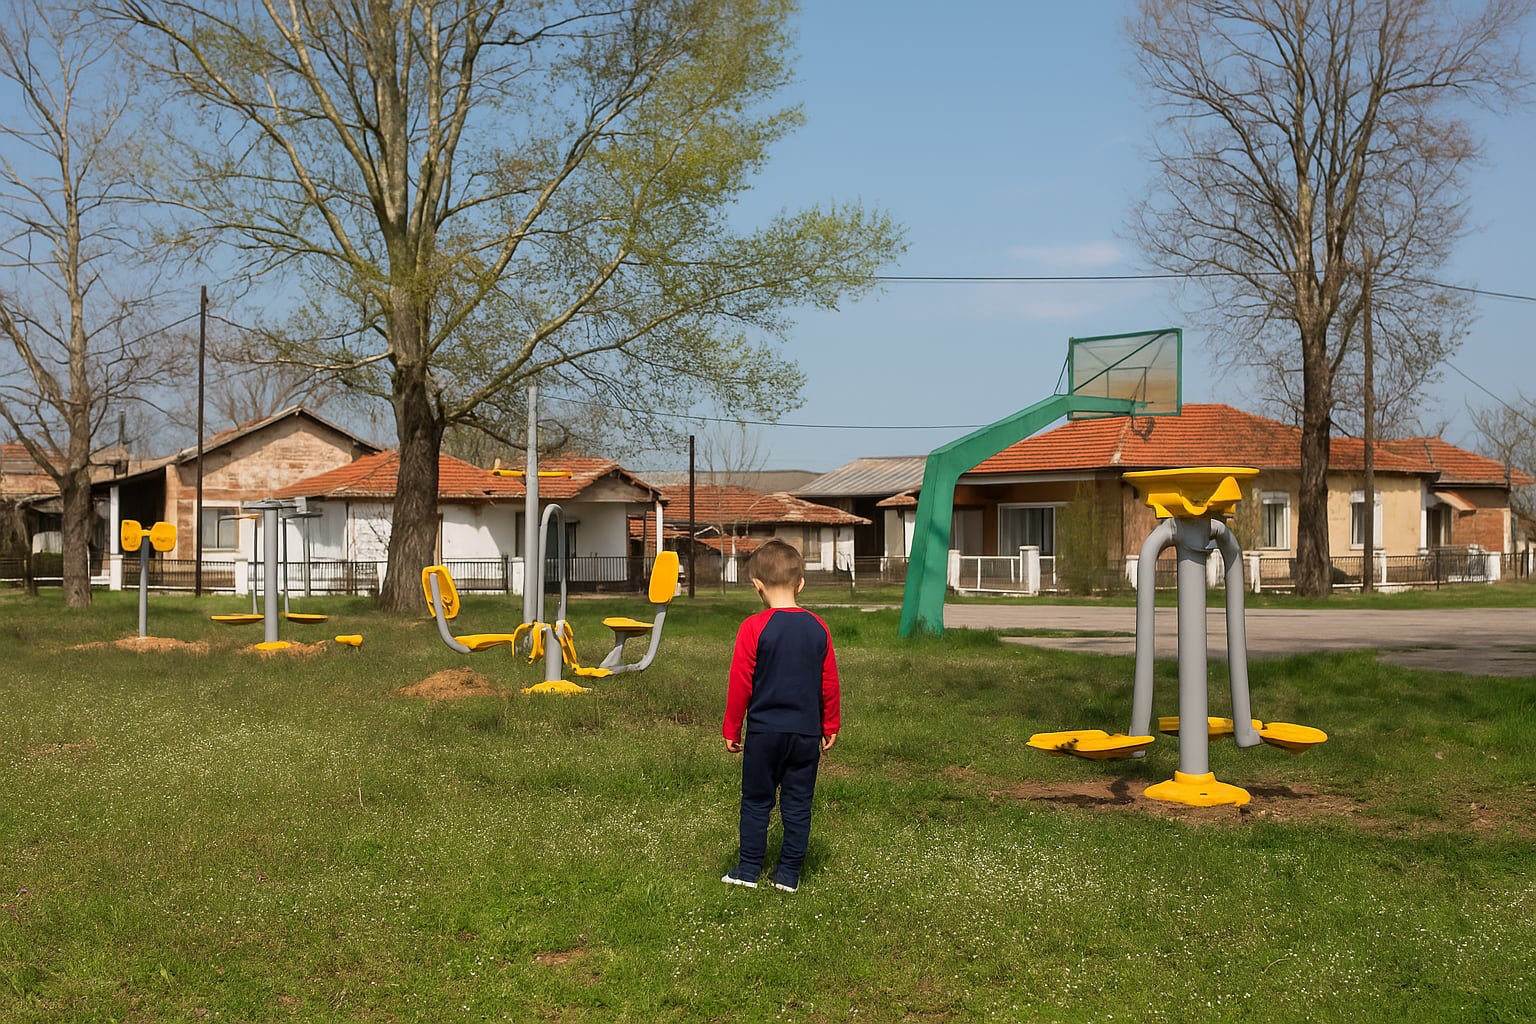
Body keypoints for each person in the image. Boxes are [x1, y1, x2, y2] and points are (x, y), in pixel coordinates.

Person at [720, 538, 841, 893]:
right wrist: (830, 723)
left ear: (756, 586)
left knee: (757, 801)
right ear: (801, 584)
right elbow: (828, 682)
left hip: (764, 734)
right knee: (798, 803)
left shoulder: (753, 628)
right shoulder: (818, 627)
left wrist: (732, 728)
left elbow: (740, 684)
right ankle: (788, 876)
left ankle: (748, 871)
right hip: (805, 734)